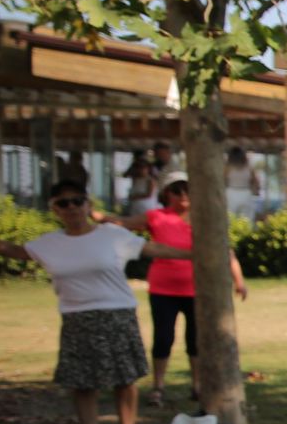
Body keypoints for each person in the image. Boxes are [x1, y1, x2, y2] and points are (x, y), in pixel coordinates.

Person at [0, 180, 191, 424]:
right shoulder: (50, 243)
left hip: (117, 314)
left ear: (88, 205)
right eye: (63, 203)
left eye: (77, 201)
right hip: (77, 317)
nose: (71, 208)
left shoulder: (112, 235)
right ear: (54, 209)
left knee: (125, 378)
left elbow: (152, 249)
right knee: (83, 382)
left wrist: (192, 253)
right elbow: (16, 251)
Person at [100, 172, 249, 409]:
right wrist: (97, 215)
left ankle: (198, 386)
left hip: (196, 290)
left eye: (187, 190)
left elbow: (225, 251)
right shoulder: (155, 217)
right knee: (163, 338)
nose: (183, 196)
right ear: (166, 193)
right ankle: (158, 387)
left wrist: (239, 281)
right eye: (177, 190)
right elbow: (124, 222)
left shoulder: (203, 218)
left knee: (195, 340)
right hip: (163, 289)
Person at [225, 147, 261, 223]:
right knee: (247, 219)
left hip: (231, 192)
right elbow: (256, 181)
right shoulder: (249, 167)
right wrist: (255, 191)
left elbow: (223, 181)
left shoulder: (227, 168)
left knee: (230, 219)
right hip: (245, 192)